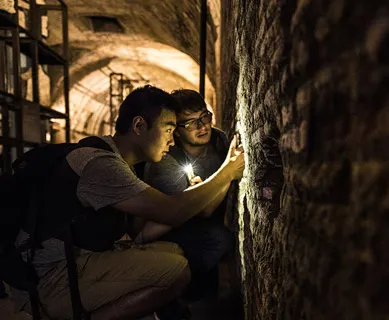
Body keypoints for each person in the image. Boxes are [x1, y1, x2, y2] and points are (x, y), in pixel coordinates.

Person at [9, 85, 245, 320]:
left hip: (76, 258)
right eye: (168, 130)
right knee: (176, 272)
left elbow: (142, 221)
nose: (172, 141)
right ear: (139, 126)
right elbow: (172, 212)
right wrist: (229, 170)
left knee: (175, 251)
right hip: (49, 278)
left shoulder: (115, 157)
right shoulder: (101, 164)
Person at [139, 89, 237, 301]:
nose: (202, 126)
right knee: (216, 240)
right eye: (190, 123)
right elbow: (201, 210)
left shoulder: (219, 141)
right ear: (176, 131)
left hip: (204, 222)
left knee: (207, 286)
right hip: (172, 227)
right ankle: (172, 295)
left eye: (204, 116)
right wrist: (229, 171)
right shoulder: (165, 160)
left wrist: (204, 191)